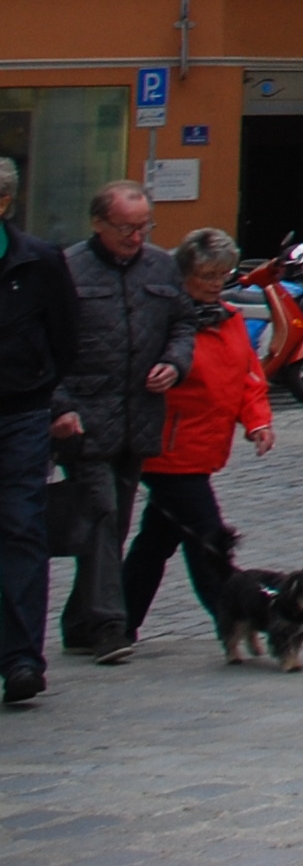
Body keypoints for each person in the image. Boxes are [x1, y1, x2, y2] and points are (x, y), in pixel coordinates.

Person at [57, 182, 193, 666]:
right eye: (125, 228)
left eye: (143, 227)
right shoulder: (68, 270)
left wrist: (175, 363)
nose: (136, 237)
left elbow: (183, 323)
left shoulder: (160, 265)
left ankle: (77, 620)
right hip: (85, 419)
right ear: (98, 224)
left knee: (112, 525)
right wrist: (59, 407)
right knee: (101, 515)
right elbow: (42, 347)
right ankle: (109, 626)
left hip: (139, 417)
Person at [123, 230, 270, 648]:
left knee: (157, 539)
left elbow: (247, 376)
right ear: (184, 273)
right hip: (167, 448)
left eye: (222, 274)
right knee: (209, 539)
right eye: (206, 274)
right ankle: (234, 616)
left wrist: (257, 422)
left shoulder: (228, 318)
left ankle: (111, 620)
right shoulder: (166, 321)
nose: (216, 282)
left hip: (204, 447)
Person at [0, 157, 75, 709]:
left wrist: (48, 396)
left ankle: (22, 657)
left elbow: (65, 340)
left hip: (20, 413)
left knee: (22, 526)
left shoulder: (40, 261)